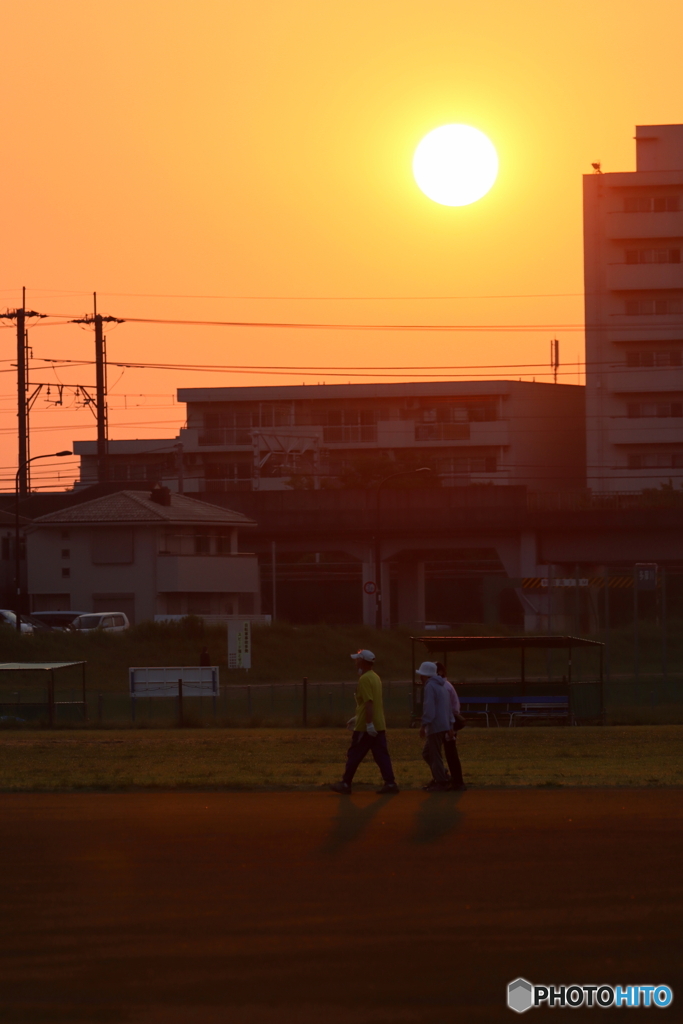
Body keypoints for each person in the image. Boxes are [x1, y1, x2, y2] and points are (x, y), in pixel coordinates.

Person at [330, 649, 399, 795]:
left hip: (367, 726)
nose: (355, 662)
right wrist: (358, 717)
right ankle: (390, 783)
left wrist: (367, 723)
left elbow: (368, 702)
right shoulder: (375, 677)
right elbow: (369, 703)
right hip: (378, 724)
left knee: (354, 754)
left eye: (357, 660)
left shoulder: (365, 679)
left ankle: (346, 783)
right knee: (381, 755)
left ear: (362, 661)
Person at [417, 660, 454, 791]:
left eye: (421, 675)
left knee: (434, 754)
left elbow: (429, 708)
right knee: (427, 753)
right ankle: (441, 774)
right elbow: (448, 707)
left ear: (426, 675)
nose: (420, 677)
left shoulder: (430, 687)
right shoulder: (442, 686)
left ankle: (441, 781)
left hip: (435, 725)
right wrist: (450, 724)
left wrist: (424, 725)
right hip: (442, 725)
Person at [436, 661, 466, 791]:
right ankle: (448, 777)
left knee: (451, 753)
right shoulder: (444, 685)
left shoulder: (445, 686)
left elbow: (449, 709)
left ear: (441, 672)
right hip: (446, 723)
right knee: (447, 753)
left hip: (449, 723)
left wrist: (450, 727)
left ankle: (456, 781)